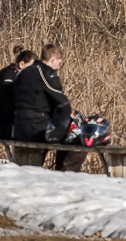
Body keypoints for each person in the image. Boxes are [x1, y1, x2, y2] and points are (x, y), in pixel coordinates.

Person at [11, 43, 84, 171]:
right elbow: (61, 102)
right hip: (37, 128)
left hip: (18, 126)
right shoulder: (45, 73)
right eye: (59, 62)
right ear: (53, 60)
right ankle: (65, 175)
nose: (58, 66)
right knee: (76, 137)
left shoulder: (24, 72)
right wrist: (68, 117)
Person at [0, 46, 34, 140]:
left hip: (8, 122)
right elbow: (8, 103)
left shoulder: (20, 77)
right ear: (22, 64)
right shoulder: (7, 76)